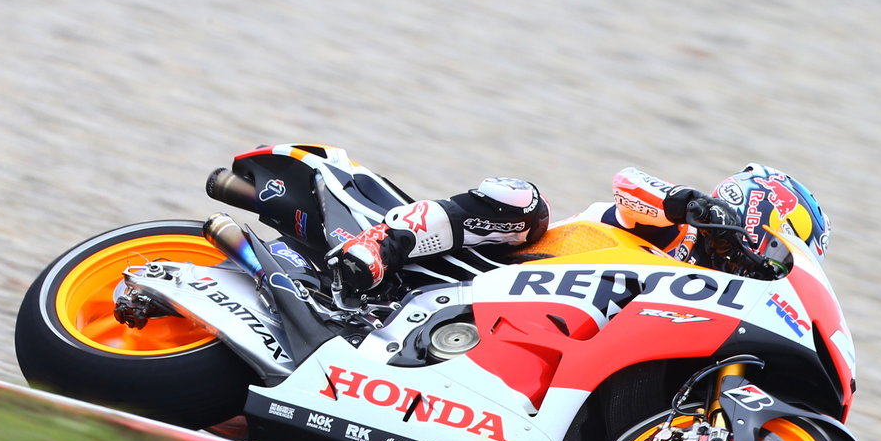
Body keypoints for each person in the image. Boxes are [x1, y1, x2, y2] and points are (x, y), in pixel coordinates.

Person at [326, 164, 829, 294]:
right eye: (788, 249)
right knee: (525, 204)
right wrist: (686, 203)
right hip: (496, 270)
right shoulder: (682, 226)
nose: (780, 265)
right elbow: (628, 184)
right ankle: (382, 243)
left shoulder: (716, 298)